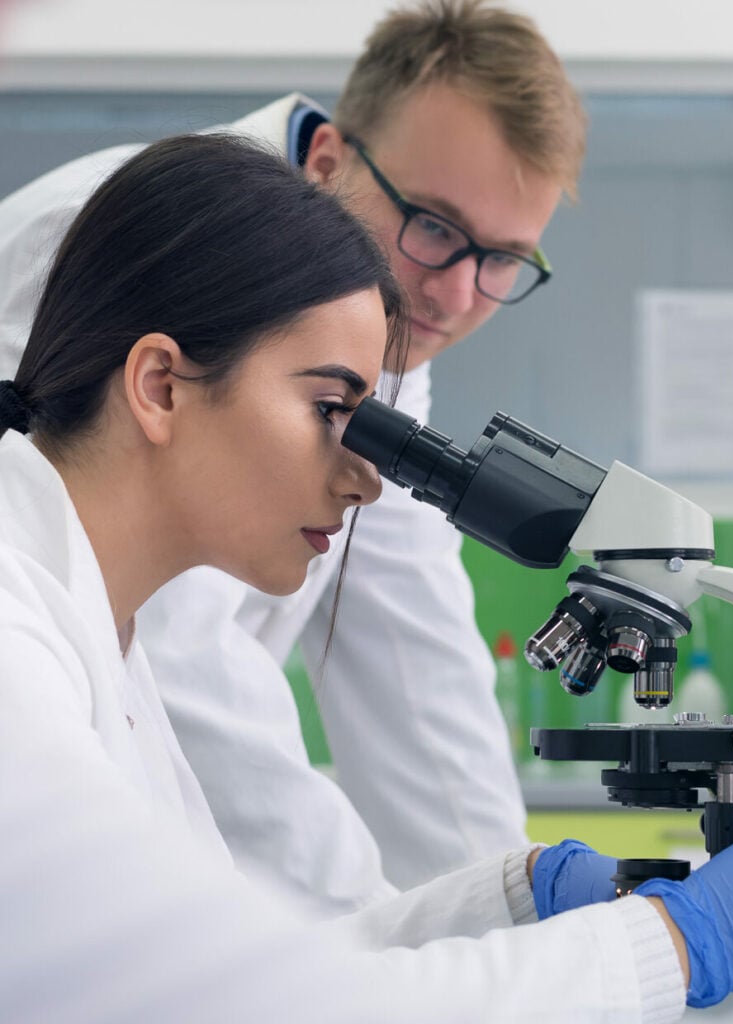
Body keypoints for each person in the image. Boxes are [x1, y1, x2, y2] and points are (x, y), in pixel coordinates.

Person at [3, 130, 733, 1023]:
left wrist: (516, 894)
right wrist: (682, 941)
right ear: (162, 386)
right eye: (330, 409)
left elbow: (240, 974)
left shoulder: (98, 634)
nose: (365, 480)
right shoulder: (16, 643)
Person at [0, 0, 585, 906]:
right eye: (434, 227)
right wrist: (369, 944)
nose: (457, 292)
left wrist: (514, 896)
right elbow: (176, 647)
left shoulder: (371, 315)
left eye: (502, 261)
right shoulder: (144, 241)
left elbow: (413, 662)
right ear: (328, 159)